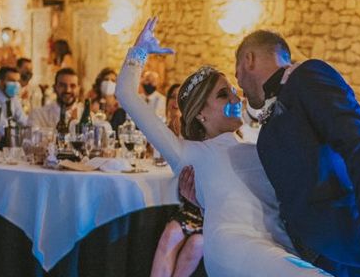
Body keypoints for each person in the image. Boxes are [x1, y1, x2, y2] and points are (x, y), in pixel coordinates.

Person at [116, 17, 333, 277]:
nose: (236, 97)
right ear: (200, 115)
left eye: (233, 89)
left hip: (279, 245)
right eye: (223, 95)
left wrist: (204, 199)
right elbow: (126, 95)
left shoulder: (258, 143)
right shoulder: (187, 152)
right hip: (235, 247)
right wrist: (140, 51)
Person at [235, 29, 360, 277]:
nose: (238, 81)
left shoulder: (307, 76)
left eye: (237, 69)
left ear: (249, 59)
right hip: (309, 253)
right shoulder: (276, 108)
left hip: (343, 244)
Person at [151, 94, 204, 277]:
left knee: (197, 244)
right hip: (190, 208)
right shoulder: (182, 129)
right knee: (172, 232)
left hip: (211, 212)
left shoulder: (225, 135)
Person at [29, 68, 85, 132]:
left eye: (73, 86)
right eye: (62, 85)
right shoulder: (38, 115)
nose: (68, 90)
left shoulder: (87, 117)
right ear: (54, 87)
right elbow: (32, 139)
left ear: (78, 89)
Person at [90, 67, 127, 133]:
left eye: (113, 81)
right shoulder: (92, 105)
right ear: (100, 83)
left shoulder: (121, 107)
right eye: (106, 79)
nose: (109, 83)